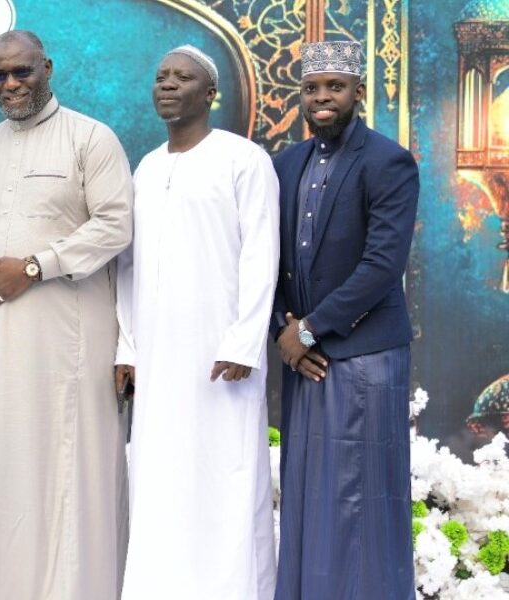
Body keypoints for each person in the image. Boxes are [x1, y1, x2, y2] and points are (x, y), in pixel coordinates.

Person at [0, 30, 133, 599]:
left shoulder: (91, 138)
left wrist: (37, 266)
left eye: (21, 72)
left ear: (48, 68)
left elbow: (114, 226)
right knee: (8, 473)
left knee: (73, 472)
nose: (9, 84)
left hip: (70, 345)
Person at [115, 46, 279, 600]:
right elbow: (129, 266)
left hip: (221, 355)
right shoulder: (147, 165)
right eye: (161, 76)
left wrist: (243, 341)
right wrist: (128, 347)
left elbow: (261, 255)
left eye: (183, 77)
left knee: (226, 478)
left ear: (210, 94)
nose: (167, 85)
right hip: (159, 357)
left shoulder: (244, 159)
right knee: (160, 477)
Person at [272, 40, 419, 600]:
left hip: (364, 357)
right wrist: (285, 334)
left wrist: (308, 329)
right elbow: (268, 262)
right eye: (312, 88)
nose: (322, 98)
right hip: (304, 359)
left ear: (358, 91)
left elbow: (383, 264)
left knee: (358, 500)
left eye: (334, 86)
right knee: (310, 495)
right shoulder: (285, 163)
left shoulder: (388, 161)